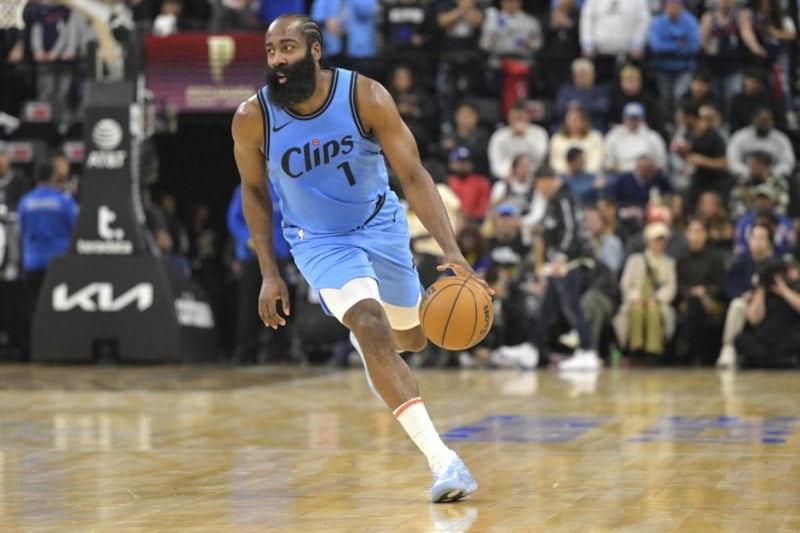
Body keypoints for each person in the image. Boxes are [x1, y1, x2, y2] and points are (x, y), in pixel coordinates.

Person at [231, 14, 486, 503]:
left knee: (411, 337)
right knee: (369, 323)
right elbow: (254, 192)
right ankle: (443, 461)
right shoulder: (252, 117)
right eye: (270, 51)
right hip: (318, 240)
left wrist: (452, 251)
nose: (277, 60)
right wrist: (268, 271)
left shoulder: (365, 96)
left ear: (315, 50)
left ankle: (376, 345)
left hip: (380, 224)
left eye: (287, 48)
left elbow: (414, 174)